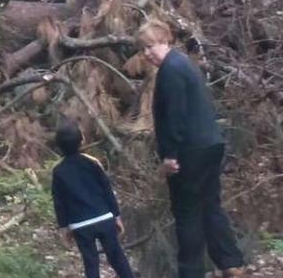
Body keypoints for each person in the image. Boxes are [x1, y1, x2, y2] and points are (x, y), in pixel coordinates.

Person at [138, 20, 245, 278]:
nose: (146, 54)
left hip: (189, 151)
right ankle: (231, 263)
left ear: (165, 40)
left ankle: (191, 271)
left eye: (150, 46)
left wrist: (170, 156)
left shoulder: (171, 70)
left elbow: (175, 116)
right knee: (210, 205)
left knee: (187, 213)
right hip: (210, 144)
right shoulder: (184, 64)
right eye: (143, 49)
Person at [52, 121, 135, 278]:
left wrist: (64, 228)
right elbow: (107, 190)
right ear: (82, 140)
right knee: (116, 256)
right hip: (104, 217)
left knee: (91, 262)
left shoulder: (58, 171)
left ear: (58, 146)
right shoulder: (92, 163)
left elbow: (59, 202)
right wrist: (116, 215)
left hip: (80, 225)